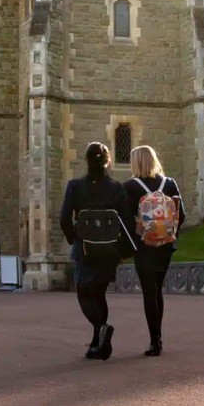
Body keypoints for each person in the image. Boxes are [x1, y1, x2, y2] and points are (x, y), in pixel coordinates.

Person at [59, 142, 133, 361]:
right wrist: (121, 249)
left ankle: (101, 327)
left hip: (85, 248)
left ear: (87, 160)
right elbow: (126, 220)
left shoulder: (75, 186)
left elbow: (64, 218)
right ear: (107, 160)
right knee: (99, 294)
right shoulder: (116, 187)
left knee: (84, 293)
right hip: (109, 249)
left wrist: (73, 238)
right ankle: (97, 343)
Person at [124, 145, 185, 357]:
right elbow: (181, 214)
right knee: (158, 290)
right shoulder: (169, 183)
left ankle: (154, 341)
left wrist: (135, 241)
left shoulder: (130, 187)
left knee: (149, 292)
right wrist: (169, 234)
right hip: (166, 245)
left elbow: (125, 220)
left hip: (143, 246)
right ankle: (157, 339)